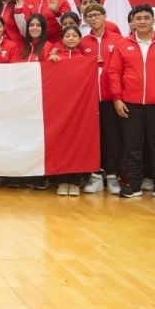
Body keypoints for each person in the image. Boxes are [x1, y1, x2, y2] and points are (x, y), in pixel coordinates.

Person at [107, 4, 155, 200]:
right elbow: (114, 73)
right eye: (138, 18)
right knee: (132, 147)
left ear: (153, 20)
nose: (143, 21)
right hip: (130, 104)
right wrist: (117, 98)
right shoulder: (122, 44)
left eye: (146, 18)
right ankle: (133, 184)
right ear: (132, 22)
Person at [77, 4, 123, 195]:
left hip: (111, 98)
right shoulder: (83, 42)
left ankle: (112, 175)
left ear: (105, 16)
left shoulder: (118, 40)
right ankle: (95, 175)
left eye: (97, 14)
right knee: (92, 138)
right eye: (89, 16)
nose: (93, 18)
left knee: (112, 137)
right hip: (89, 99)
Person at [48, 26, 91, 195]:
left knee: (77, 143)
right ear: (62, 39)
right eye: (67, 35)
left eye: (74, 35)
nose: (71, 38)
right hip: (59, 108)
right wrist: (50, 61)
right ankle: (62, 180)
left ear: (80, 39)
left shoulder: (85, 59)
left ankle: (74, 181)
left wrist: (96, 64)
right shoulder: (56, 57)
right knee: (61, 143)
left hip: (79, 108)